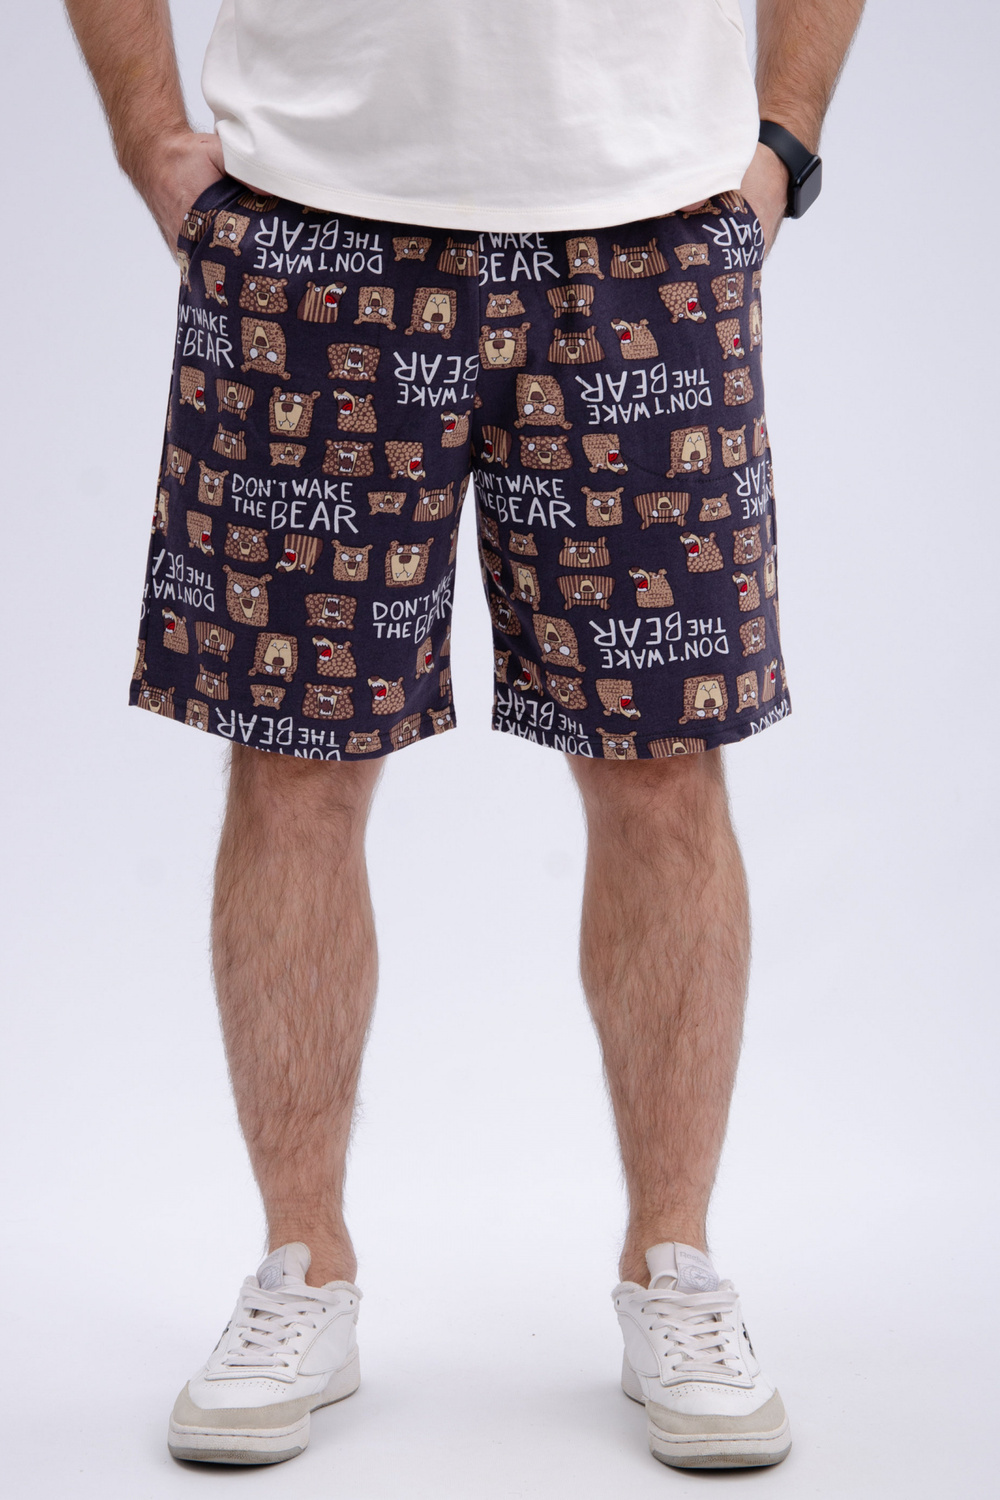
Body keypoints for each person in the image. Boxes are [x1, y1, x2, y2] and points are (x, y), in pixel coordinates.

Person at [65, 0, 864, 1471]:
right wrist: (148, 136)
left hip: (648, 232)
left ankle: (673, 1265)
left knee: (663, 766)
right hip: (312, 229)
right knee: (294, 762)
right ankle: (301, 1268)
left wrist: (782, 147)